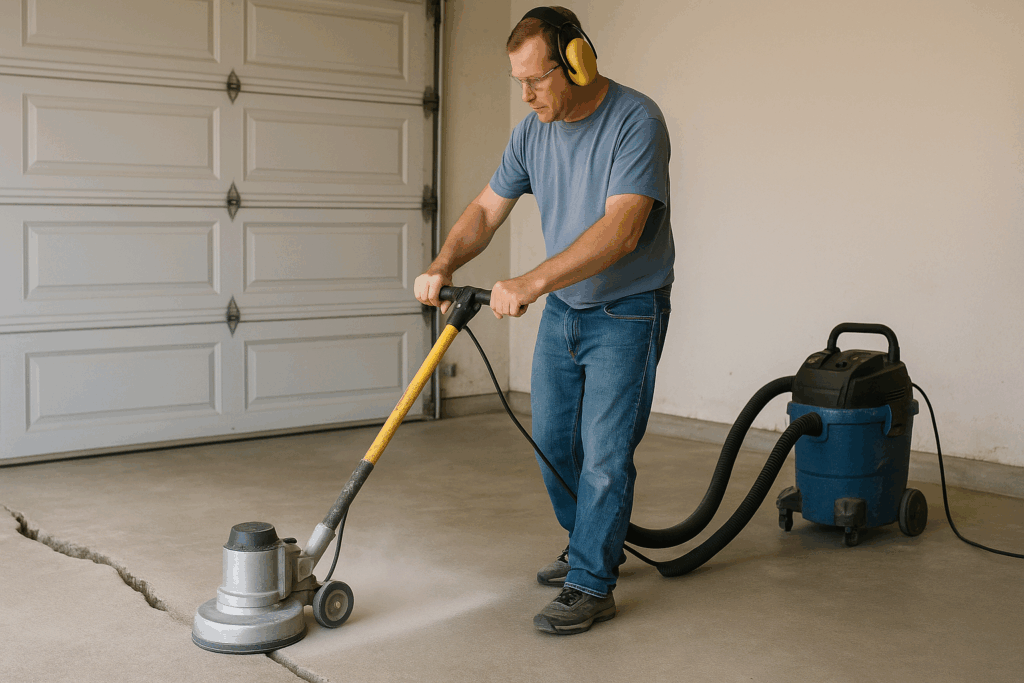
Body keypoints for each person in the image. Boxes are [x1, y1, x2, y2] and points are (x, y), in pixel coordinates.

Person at [414, 6, 673, 635]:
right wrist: (444, 263)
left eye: (537, 79)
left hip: (627, 307)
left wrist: (529, 281)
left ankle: (591, 579)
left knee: (606, 454)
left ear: (578, 61)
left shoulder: (636, 120)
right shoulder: (532, 131)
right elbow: (484, 210)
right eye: (518, 82)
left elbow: (622, 230)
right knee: (556, 444)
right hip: (565, 309)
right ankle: (588, 539)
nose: (526, 95)